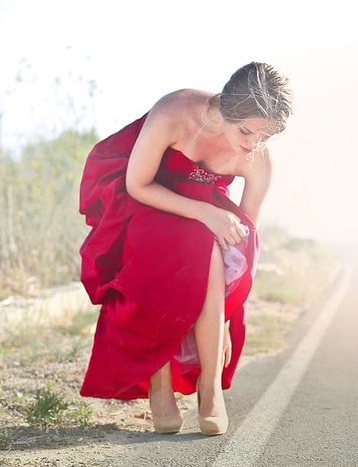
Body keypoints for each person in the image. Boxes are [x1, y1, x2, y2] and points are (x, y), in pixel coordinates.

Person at [78, 62, 293, 435]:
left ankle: (209, 389)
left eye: (264, 137)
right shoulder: (175, 111)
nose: (252, 145)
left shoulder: (258, 158)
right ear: (227, 106)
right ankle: (159, 384)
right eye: (246, 131)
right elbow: (138, 185)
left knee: (210, 250)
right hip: (145, 196)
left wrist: (225, 315)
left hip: (202, 212)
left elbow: (244, 247)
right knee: (179, 246)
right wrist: (205, 213)